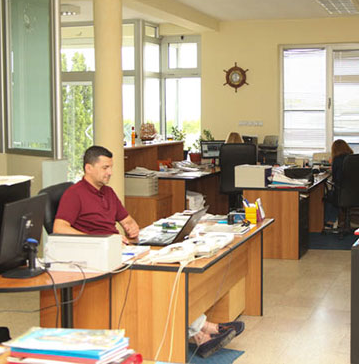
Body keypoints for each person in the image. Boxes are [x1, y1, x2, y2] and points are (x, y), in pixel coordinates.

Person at [54, 145, 243, 357]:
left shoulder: (107, 192)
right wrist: (103, 240)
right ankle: (205, 330)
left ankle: (202, 332)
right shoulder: (74, 194)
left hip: (122, 251)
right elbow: (59, 228)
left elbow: (127, 220)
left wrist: (132, 228)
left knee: (171, 272)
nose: (110, 172)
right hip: (100, 258)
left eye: (111, 167)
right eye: (105, 167)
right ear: (88, 168)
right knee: (162, 279)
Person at [324, 140, 354, 229]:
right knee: (335, 194)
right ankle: (337, 221)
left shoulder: (337, 159)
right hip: (356, 193)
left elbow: (334, 179)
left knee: (329, 195)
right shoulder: (353, 158)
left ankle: (330, 221)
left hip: (342, 193)